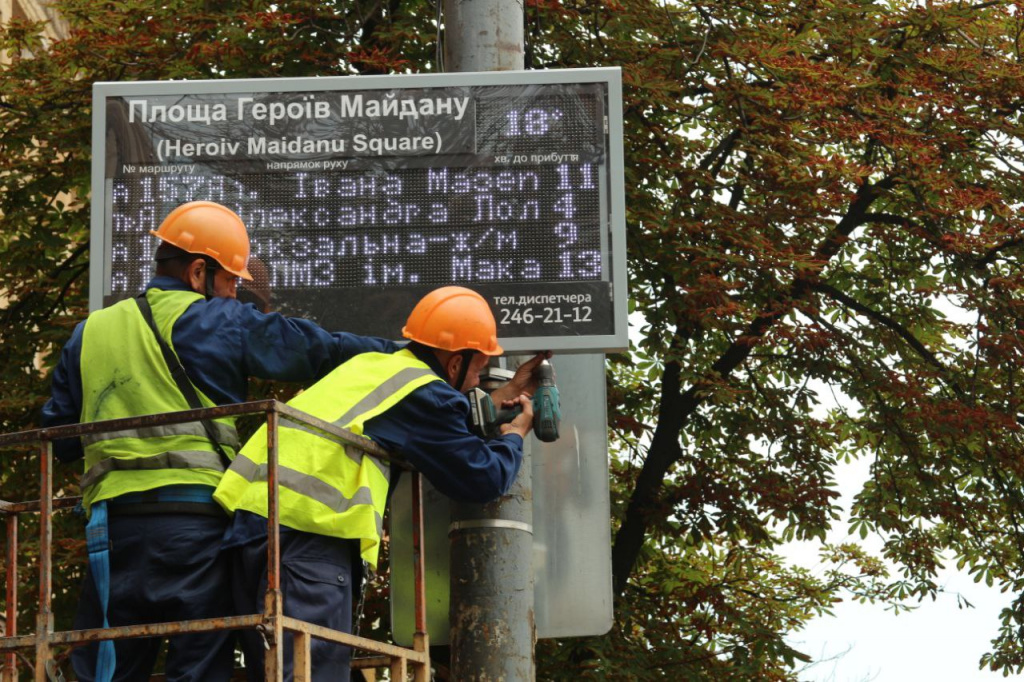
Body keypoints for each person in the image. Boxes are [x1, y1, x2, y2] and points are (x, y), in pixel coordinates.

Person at [41, 201, 398, 682]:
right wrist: (405, 359)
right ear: (197, 272)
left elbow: (61, 438)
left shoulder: (90, 333)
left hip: (111, 535)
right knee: (200, 666)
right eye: (232, 281)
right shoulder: (215, 321)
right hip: (196, 531)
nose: (236, 294)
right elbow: (319, 351)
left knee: (106, 669)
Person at [213, 285, 549, 682]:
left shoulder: (375, 367)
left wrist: (500, 400)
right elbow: (482, 478)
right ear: (455, 361)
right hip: (307, 540)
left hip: (250, 532)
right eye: (478, 370)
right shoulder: (426, 392)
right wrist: (514, 434)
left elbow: (426, 426)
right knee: (309, 674)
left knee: (272, 673)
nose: (478, 381)